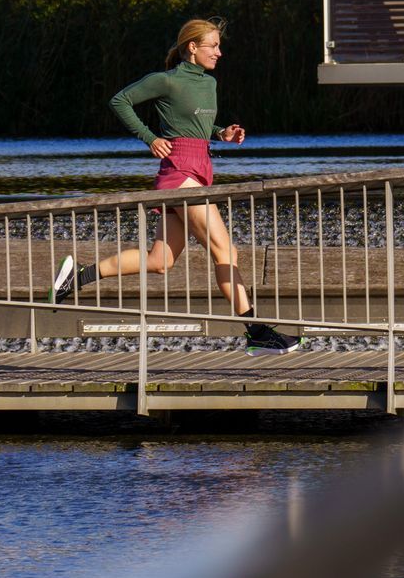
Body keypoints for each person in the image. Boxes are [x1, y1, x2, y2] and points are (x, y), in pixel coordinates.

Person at [51, 18, 301, 354]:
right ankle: (257, 332)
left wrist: (221, 132)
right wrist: (150, 138)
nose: (219, 52)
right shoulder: (165, 81)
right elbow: (120, 101)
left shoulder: (209, 84)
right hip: (179, 171)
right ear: (192, 47)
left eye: (219, 45)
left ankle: (76, 277)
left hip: (199, 168)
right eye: (213, 46)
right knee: (224, 250)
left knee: (160, 261)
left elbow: (198, 124)